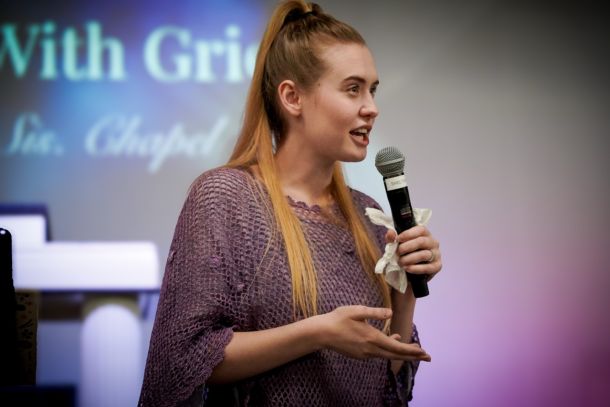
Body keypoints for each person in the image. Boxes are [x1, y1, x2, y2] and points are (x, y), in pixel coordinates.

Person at [138, 1, 442, 406]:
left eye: (372, 90)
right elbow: (184, 359)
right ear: (292, 97)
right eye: (353, 88)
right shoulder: (227, 198)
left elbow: (387, 384)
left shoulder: (369, 217)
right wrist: (318, 333)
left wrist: (405, 291)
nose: (371, 107)